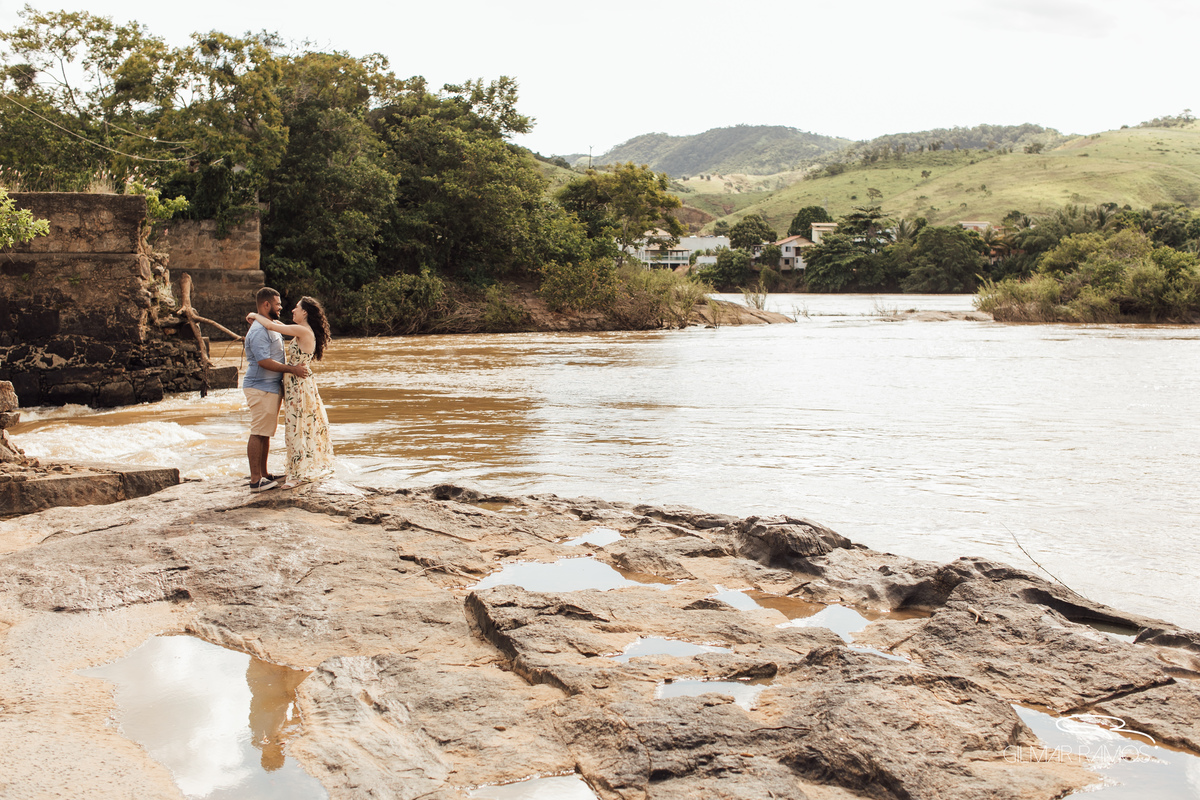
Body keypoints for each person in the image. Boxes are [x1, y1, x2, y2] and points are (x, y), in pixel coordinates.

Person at [246, 295, 335, 489]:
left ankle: (298, 475)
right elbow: (276, 323)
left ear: (304, 312)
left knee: (298, 427)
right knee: (297, 427)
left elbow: (272, 326)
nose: (292, 310)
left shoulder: (302, 330)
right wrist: (261, 318)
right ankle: (296, 470)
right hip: (297, 385)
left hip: (299, 385)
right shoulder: (302, 329)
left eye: (296, 308)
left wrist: (254, 314)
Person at [243, 287, 309, 493]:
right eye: (278, 304)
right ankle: (255, 480)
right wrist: (293, 370)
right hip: (260, 387)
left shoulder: (268, 326)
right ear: (266, 305)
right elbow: (263, 361)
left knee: (265, 432)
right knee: (258, 432)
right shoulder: (259, 330)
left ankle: (263, 474)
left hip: (269, 387)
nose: (281, 307)